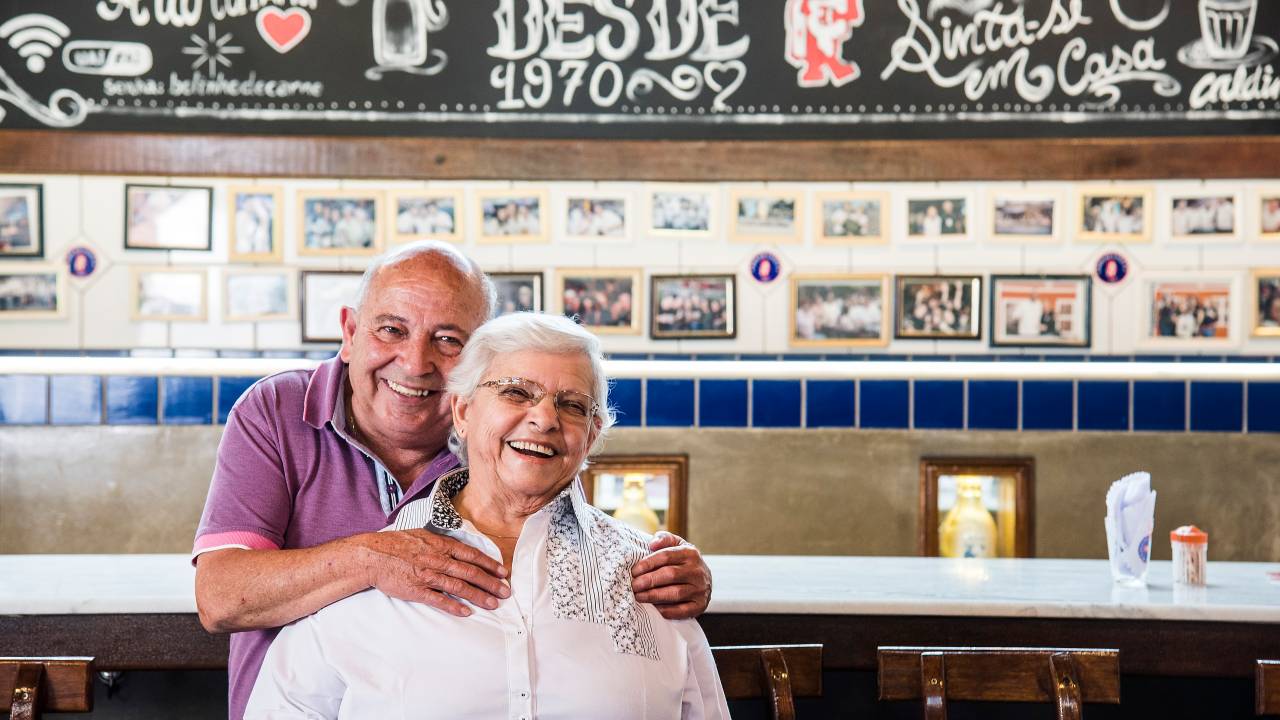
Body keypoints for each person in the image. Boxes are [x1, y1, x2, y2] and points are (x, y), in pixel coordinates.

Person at [194, 242, 712, 720]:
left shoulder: (503, 447)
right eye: (391, 329)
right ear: (350, 332)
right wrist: (373, 558)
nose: (416, 363)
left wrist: (671, 569)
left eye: (447, 340)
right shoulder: (276, 411)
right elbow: (220, 599)